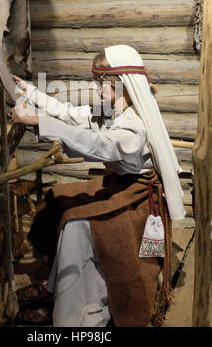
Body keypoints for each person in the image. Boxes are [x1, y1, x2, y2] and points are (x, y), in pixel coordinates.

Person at [10, 45, 185, 327]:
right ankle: (57, 285)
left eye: (101, 82)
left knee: (75, 223)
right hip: (119, 186)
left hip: (137, 198)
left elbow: (100, 146)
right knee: (57, 198)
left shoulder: (134, 126)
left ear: (120, 83)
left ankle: (74, 312)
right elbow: (71, 114)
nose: (97, 87)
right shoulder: (112, 112)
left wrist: (38, 120)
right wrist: (32, 93)